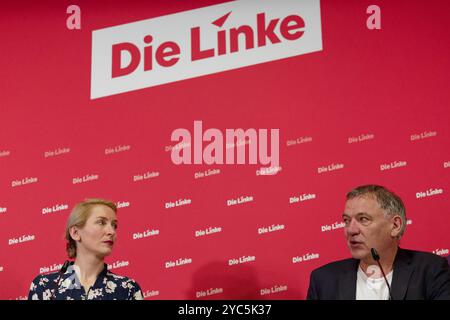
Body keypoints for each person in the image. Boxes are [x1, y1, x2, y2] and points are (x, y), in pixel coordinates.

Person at [307, 185, 450, 300]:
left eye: (363, 219)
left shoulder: (431, 270)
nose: (351, 230)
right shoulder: (324, 280)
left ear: (395, 226)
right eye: (346, 220)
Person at [28, 199, 143, 300]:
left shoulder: (127, 288)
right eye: (101, 222)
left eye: (114, 225)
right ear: (75, 232)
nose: (111, 231)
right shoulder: (45, 286)